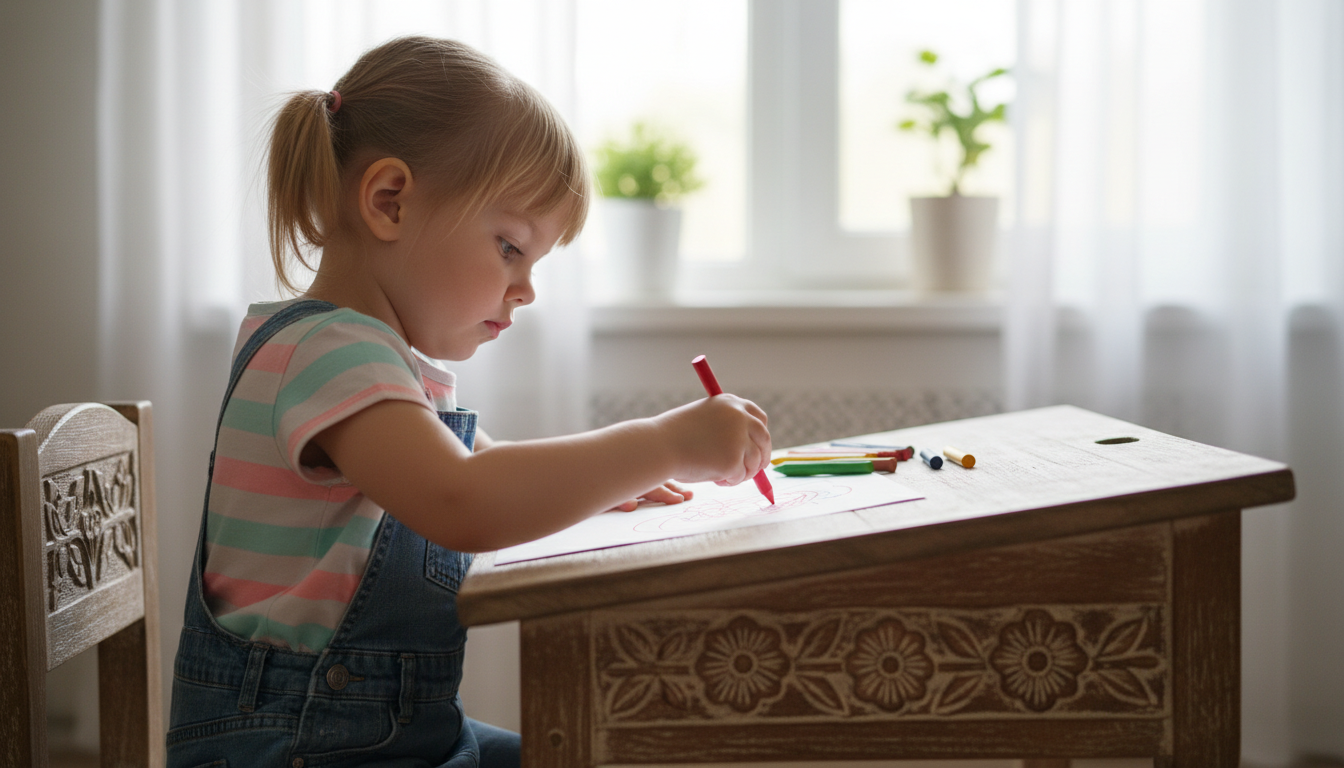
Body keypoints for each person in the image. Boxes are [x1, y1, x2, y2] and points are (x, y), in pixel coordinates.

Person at [166, 36, 771, 768]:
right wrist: (665, 443)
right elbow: (467, 500)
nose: (527, 290)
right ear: (390, 202)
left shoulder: (375, 361)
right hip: (302, 745)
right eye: (511, 247)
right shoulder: (330, 353)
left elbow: (500, 469)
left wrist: (618, 479)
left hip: (380, 734)